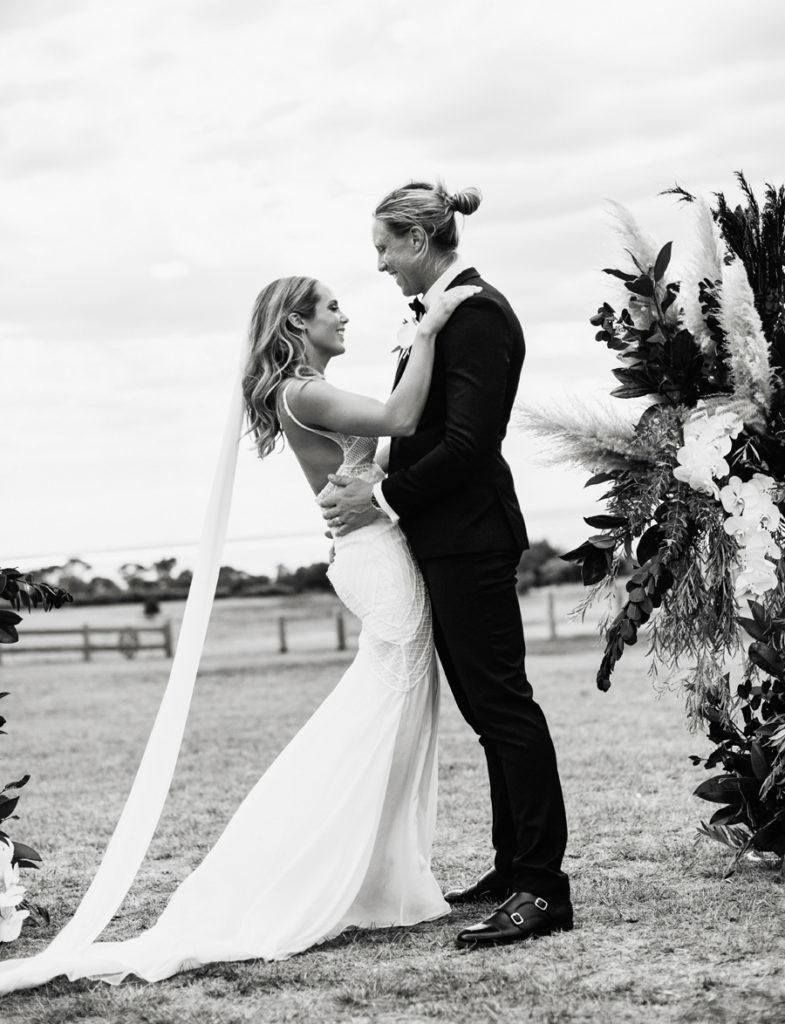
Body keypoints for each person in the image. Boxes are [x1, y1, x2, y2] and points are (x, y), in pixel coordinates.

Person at [0, 274, 477, 992]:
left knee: (399, 717)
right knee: (382, 717)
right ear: (294, 323)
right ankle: (320, 869)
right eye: (331, 307)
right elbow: (402, 419)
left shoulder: (301, 389)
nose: (345, 314)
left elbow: (385, 442)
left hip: (368, 552)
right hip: (375, 560)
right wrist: (430, 330)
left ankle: (376, 878)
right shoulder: (304, 391)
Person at [319, 180, 573, 947]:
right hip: (445, 538)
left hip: (470, 536)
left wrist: (381, 500)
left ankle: (540, 889)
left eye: (384, 248)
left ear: (419, 241)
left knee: (503, 708)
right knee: (486, 712)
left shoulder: (478, 313)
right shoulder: (442, 315)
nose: (380, 264)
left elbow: (467, 445)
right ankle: (510, 865)